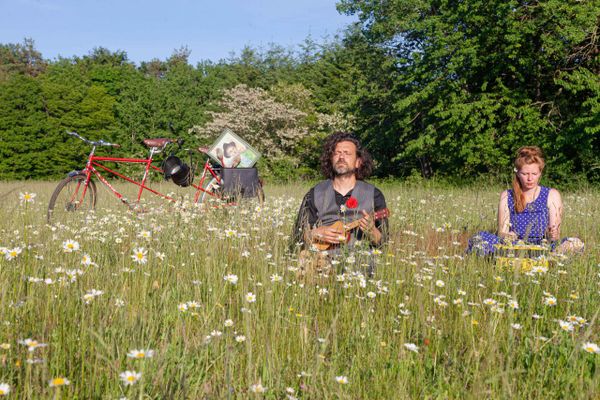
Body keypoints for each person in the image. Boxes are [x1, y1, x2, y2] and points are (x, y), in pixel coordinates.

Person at [291, 132, 389, 277]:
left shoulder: (374, 194)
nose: (341, 157)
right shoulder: (315, 193)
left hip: (359, 262)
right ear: (331, 159)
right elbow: (297, 235)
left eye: (347, 153)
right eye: (337, 153)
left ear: (358, 162)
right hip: (320, 258)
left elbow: (383, 241)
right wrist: (314, 233)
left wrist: (371, 230)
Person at [467, 146, 584, 255]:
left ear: (540, 173)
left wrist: (551, 233)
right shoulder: (507, 195)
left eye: (534, 174)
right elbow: (501, 233)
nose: (530, 178)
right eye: (525, 173)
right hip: (514, 246)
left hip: (543, 246)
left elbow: (555, 236)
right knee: (479, 237)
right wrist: (508, 236)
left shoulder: (552, 194)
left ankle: (549, 257)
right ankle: (525, 257)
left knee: (576, 243)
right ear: (517, 173)